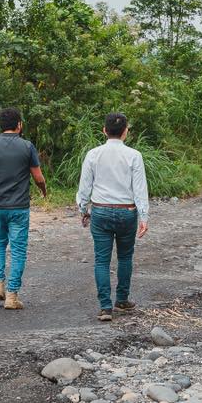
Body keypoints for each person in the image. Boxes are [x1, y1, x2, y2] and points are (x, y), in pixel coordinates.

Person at [0, 107, 47, 310]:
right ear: (19, 125)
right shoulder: (27, 147)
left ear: (0, 125)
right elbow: (38, 177)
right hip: (19, 207)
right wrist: (43, 189)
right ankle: (12, 295)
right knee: (18, 249)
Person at [76, 112, 150, 322]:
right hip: (127, 212)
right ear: (126, 132)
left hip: (100, 210)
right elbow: (140, 189)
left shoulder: (93, 154)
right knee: (125, 257)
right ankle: (122, 298)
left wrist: (83, 210)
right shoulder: (134, 155)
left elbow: (84, 187)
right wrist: (144, 216)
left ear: (104, 130)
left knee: (101, 259)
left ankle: (105, 307)